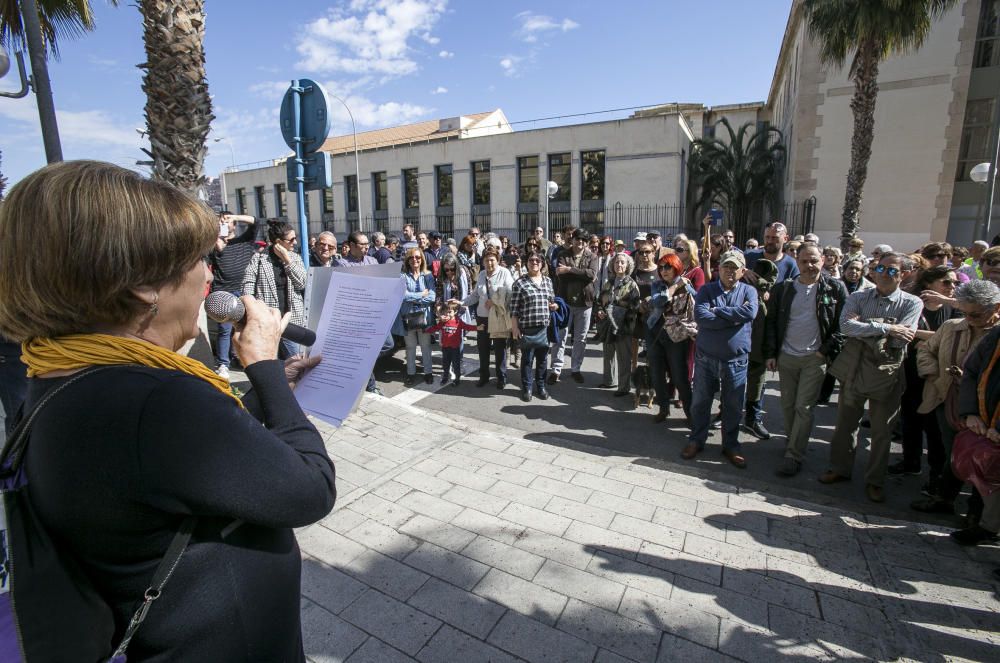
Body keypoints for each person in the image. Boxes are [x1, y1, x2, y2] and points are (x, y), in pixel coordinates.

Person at [0, 160, 335, 660]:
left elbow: (166, 468)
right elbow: (312, 489)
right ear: (143, 287)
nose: (208, 273)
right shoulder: (154, 399)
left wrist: (265, 394)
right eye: (199, 258)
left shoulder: (63, 371)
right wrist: (263, 365)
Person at [821, 252, 923, 502]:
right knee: (845, 424)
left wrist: (865, 326)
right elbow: (846, 327)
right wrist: (886, 326)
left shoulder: (912, 303)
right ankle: (840, 469)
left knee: (881, 431)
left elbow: (902, 339)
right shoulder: (858, 296)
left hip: (886, 372)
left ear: (904, 274)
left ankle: (875, 481)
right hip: (854, 368)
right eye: (880, 268)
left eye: (891, 270)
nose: (884, 274)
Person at [911, 279, 1000, 517]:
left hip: (987, 413)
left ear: (996, 308)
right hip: (946, 401)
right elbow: (926, 350)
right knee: (954, 454)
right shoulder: (951, 327)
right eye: (965, 313)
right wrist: (934, 374)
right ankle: (944, 499)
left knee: (985, 463)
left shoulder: (997, 337)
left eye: (976, 315)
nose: (969, 320)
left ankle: (977, 515)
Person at [764, 244, 848, 477]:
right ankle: (794, 441)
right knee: (788, 405)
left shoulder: (835, 288)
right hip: (787, 356)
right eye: (804, 261)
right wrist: (772, 353)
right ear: (796, 261)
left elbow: (844, 325)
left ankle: (794, 455)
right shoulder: (784, 289)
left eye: (814, 260)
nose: (809, 266)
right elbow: (772, 323)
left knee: (804, 407)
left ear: (822, 260)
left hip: (815, 358)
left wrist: (824, 352)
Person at [683, 250, 758, 468]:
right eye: (726, 266)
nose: (730, 271)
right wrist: (734, 316)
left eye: (735, 267)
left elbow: (750, 313)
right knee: (701, 403)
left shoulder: (749, 291)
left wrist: (719, 311)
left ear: (742, 271)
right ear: (719, 269)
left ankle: (731, 445)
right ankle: (696, 440)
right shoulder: (706, 290)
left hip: (736, 361)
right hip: (706, 359)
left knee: (733, 405)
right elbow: (702, 317)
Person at [743, 221, 800, 440]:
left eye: (775, 238)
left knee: (758, 377)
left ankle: (752, 418)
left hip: (769, 330)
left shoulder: (791, 265)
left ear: (785, 239)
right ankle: (725, 412)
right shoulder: (749, 259)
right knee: (735, 374)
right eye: (767, 237)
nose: (769, 241)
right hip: (745, 327)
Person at [949, 321, 1000, 545]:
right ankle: (988, 527)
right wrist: (970, 413)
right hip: (985, 423)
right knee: (991, 481)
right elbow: (971, 371)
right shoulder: (997, 334)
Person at [243, 221, 307, 359]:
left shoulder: (295, 258)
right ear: (278, 242)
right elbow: (247, 286)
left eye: (295, 238)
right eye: (291, 239)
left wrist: (287, 260)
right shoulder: (259, 259)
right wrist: (254, 312)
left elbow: (302, 283)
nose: (295, 243)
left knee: (296, 360)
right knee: (272, 361)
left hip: (291, 320)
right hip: (268, 321)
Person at [647, 253, 696, 423]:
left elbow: (696, 303)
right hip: (656, 332)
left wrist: (682, 286)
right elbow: (659, 302)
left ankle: (690, 413)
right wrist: (674, 288)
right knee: (657, 373)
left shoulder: (687, 285)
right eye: (660, 267)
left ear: (676, 267)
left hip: (677, 335)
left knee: (679, 376)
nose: (663, 271)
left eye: (667, 267)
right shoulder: (657, 284)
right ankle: (663, 408)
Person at [209, 212, 257, 379]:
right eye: (221, 222)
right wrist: (217, 239)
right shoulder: (215, 244)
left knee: (243, 328)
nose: (224, 224)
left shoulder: (244, 240)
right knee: (224, 330)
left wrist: (235, 217)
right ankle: (223, 363)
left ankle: (240, 357)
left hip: (244, 290)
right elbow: (214, 253)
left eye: (226, 222)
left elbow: (255, 221)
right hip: (223, 291)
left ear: (234, 224)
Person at [550, 229, 599, 384]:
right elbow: (560, 275)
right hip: (565, 302)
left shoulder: (592, 256)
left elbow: (591, 275)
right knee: (561, 337)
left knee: (580, 338)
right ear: (573, 239)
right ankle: (556, 370)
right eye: (578, 239)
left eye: (584, 240)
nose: (581, 243)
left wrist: (570, 269)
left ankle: (576, 369)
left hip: (585, 303)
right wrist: (581, 275)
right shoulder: (563, 254)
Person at [510, 252, 557, 402]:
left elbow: (551, 300)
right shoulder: (519, 283)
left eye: (538, 260)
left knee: (543, 360)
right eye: (531, 260)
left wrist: (554, 305)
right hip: (526, 328)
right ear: (526, 263)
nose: (534, 262)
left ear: (542, 263)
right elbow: (514, 309)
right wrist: (515, 328)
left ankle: (541, 386)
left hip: (544, 328)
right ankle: (527, 388)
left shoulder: (548, 281)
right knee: (527, 360)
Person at [464, 248, 514, 388]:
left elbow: (511, 293)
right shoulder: (481, 274)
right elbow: (475, 295)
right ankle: (484, 375)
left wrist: (495, 302)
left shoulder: (504, 273)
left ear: (497, 260)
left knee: (500, 348)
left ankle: (501, 377)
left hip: (498, 317)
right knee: (483, 348)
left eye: (492, 260)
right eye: (486, 260)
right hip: (482, 317)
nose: (489, 263)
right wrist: (461, 303)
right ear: (483, 261)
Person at [596, 252, 640, 394]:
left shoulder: (632, 284)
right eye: (616, 262)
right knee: (608, 354)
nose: (619, 265)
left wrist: (621, 314)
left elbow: (635, 307)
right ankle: (609, 381)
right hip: (608, 325)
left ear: (628, 265)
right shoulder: (609, 282)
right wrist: (600, 311)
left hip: (623, 327)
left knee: (623, 357)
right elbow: (600, 301)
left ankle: (623, 387)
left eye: (622, 262)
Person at [392, 248, 436, 386]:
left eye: (417, 257)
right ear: (407, 260)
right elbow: (402, 295)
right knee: (410, 347)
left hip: (425, 317)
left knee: (425, 346)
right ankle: (411, 373)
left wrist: (413, 297)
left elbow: (432, 297)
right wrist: (420, 295)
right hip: (408, 317)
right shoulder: (402, 276)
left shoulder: (428, 276)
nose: (415, 260)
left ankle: (428, 372)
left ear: (422, 258)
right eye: (411, 258)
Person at [425, 302, 479, 386]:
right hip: (445, 347)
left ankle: (457, 378)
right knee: (445, 364)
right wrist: (426, 330)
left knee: (456, 364)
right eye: (445, 312)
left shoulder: (458, 321)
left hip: (455, 348)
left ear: (455, 312)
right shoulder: (443, 322)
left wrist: (477, 328)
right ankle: (445, 377)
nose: (447, 314)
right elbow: (435, 328)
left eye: (449, 312)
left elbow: (467, 327)